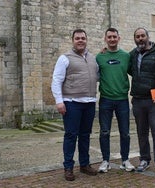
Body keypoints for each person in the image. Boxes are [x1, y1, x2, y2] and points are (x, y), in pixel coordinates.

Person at [51, 29, 98, 181]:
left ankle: (84, 165)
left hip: (89, 103)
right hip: (72, 103)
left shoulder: (93, 58)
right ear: (72, 40)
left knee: (85, 135)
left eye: (83, 38)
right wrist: (59, 101)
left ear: (86, 40)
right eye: (77, 38)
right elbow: (56, 80)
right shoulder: (64, 58)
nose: (80, 40)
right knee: (71, 135)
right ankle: (68, 167)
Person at [128, 27, 155, 178]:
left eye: (142, 36)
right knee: (142, 133)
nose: (140, 38)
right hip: (138, 101)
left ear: (148, 37)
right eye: (137, 36)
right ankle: (144, 160)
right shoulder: (132, 55)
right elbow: (125, 67)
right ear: (135, 39)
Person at [96, 28, 135, 173]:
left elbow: (135, 72)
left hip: (122, 100)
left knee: (125, 132)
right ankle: (105, 161)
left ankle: (125, 160)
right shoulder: (99, 57)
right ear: (105, 39)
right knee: (104, 132)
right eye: (109, 37)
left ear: (119, 38)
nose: (112, 39)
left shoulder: (126, 56)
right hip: (105, 99)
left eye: (114, 37)